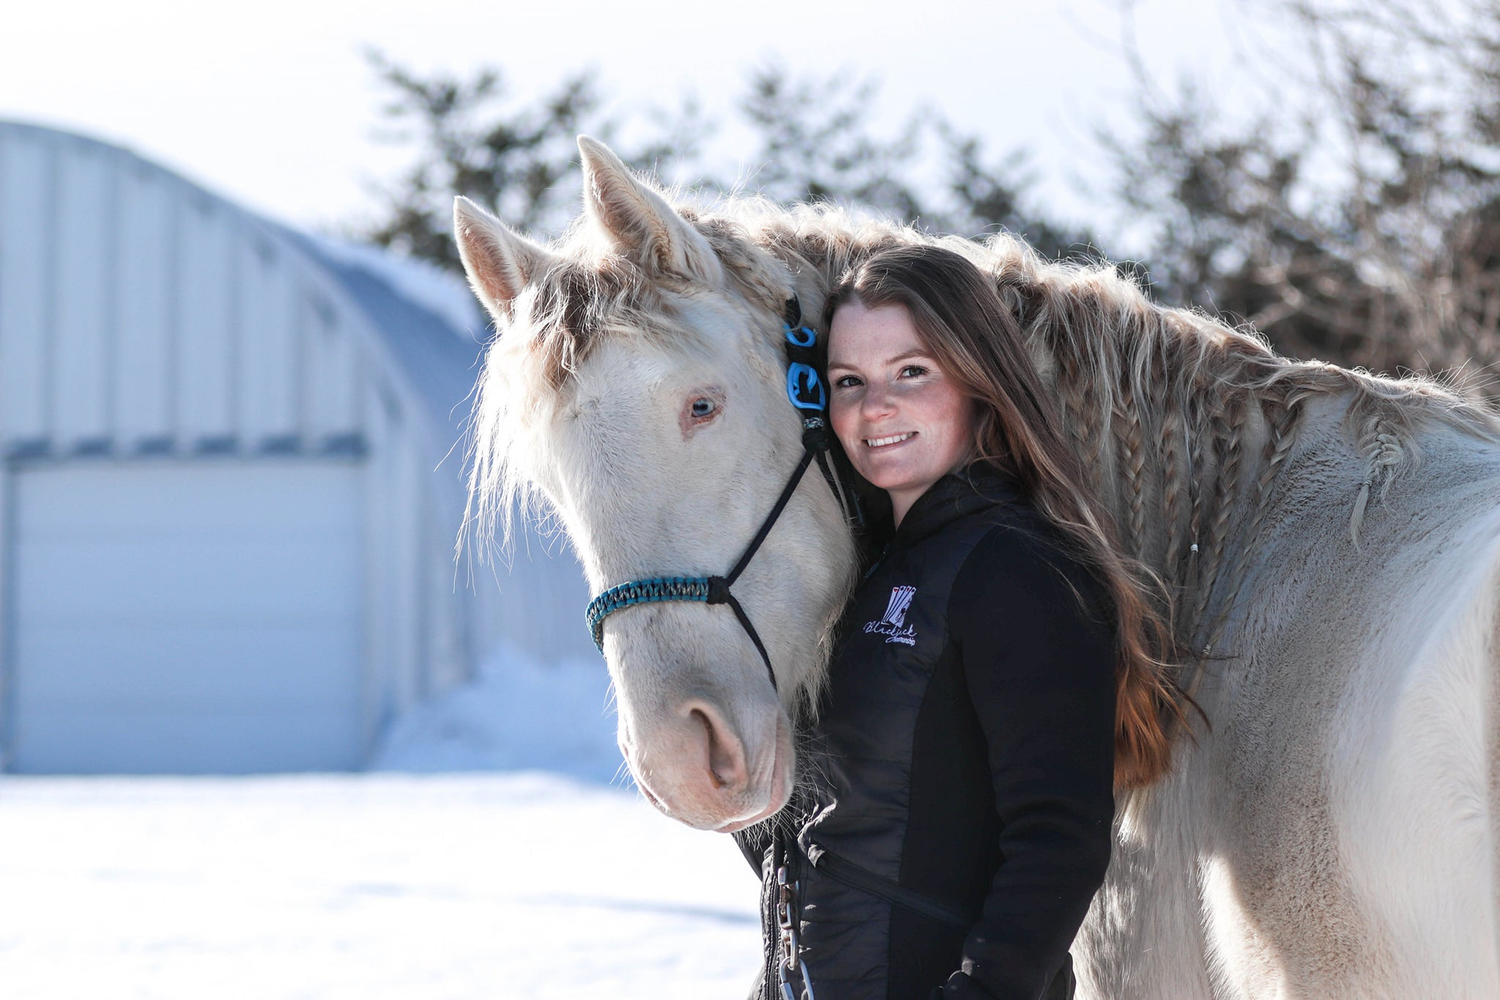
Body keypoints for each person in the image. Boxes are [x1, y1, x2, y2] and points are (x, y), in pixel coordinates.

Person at [736, 244, 1180, 1000]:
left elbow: (1059, 841)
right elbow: (840, 838)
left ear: (979, 380)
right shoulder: (876, 575)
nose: (875, 407)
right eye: (850, 382)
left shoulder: (1016, 570)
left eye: (911, 372)